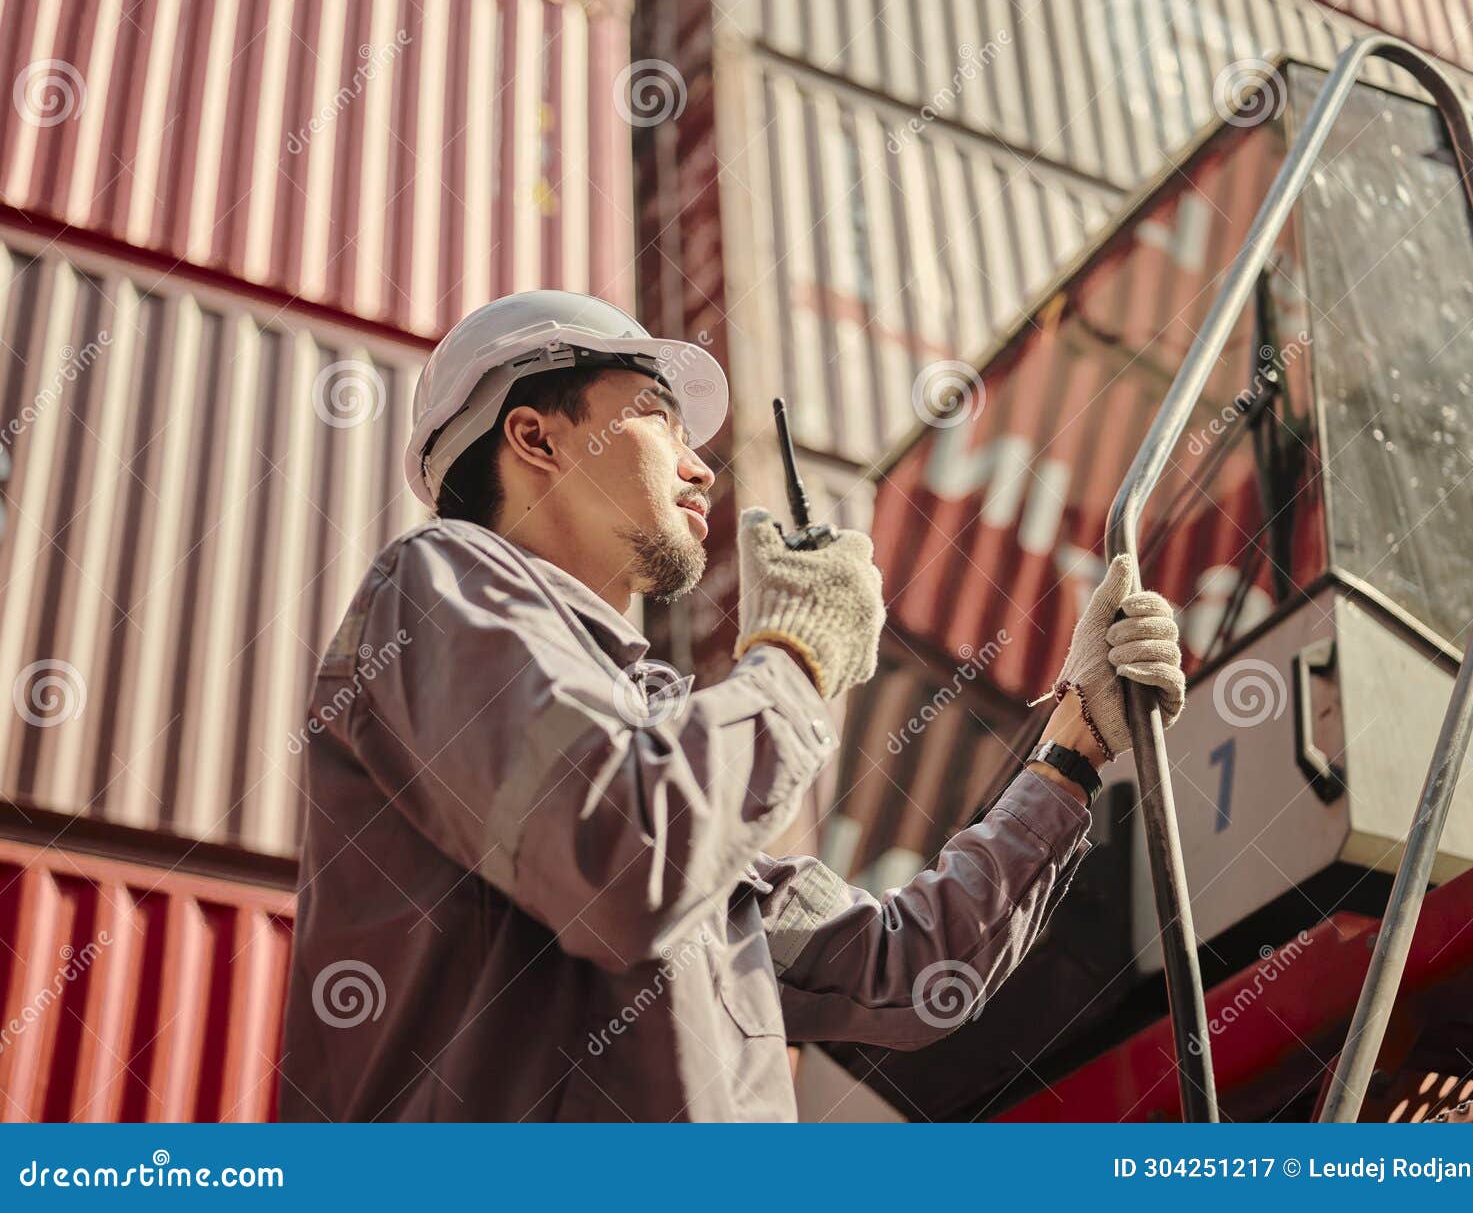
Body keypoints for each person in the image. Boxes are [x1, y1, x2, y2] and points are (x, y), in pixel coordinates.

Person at [278, 291, 1186, 1122]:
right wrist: (793, 653)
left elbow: (906, 971)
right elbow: (627, 863)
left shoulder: (664, 727)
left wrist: (1073, 742)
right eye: (657, 420)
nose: (699, 467)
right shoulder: (437, 591)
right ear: (536, 437)